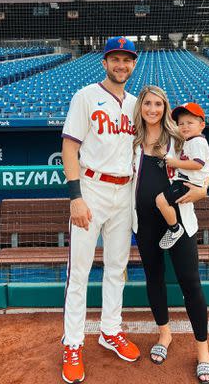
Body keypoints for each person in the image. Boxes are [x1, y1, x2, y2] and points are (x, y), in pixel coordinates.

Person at [61, 36, 140, 384]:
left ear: (133, 64)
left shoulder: (137, 105)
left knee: (116, 267)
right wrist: (76, 196)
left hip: (125, 192)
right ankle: (73, 343)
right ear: (104, 62)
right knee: (79, 271)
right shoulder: (85, 96)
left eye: (127, 59)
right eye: (116, 59)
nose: (121, 65)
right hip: (91, 189)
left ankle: (110, 330)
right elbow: (69, 147)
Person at [132, 86, 209, 383]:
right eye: (148, 104)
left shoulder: (178, 137)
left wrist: (203, 190)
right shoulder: (130, 139)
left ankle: (203, 351)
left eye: (158, 104)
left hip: (178, 218)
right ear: (140, 107)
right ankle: (164, 334)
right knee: (154, 278)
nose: (152, 109)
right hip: (144, 222)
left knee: (190, 283)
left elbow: (201, 172)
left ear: (165, 108)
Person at [156, 102, 209, 250]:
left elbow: (198, 164)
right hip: (187, 182)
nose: (185, 126)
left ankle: (175, 229)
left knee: (160, 201)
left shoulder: (198, 141)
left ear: (202, 125)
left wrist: (175, 162)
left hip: (188, 184)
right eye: (181, 123)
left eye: (190, 122)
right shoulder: (189, 141)